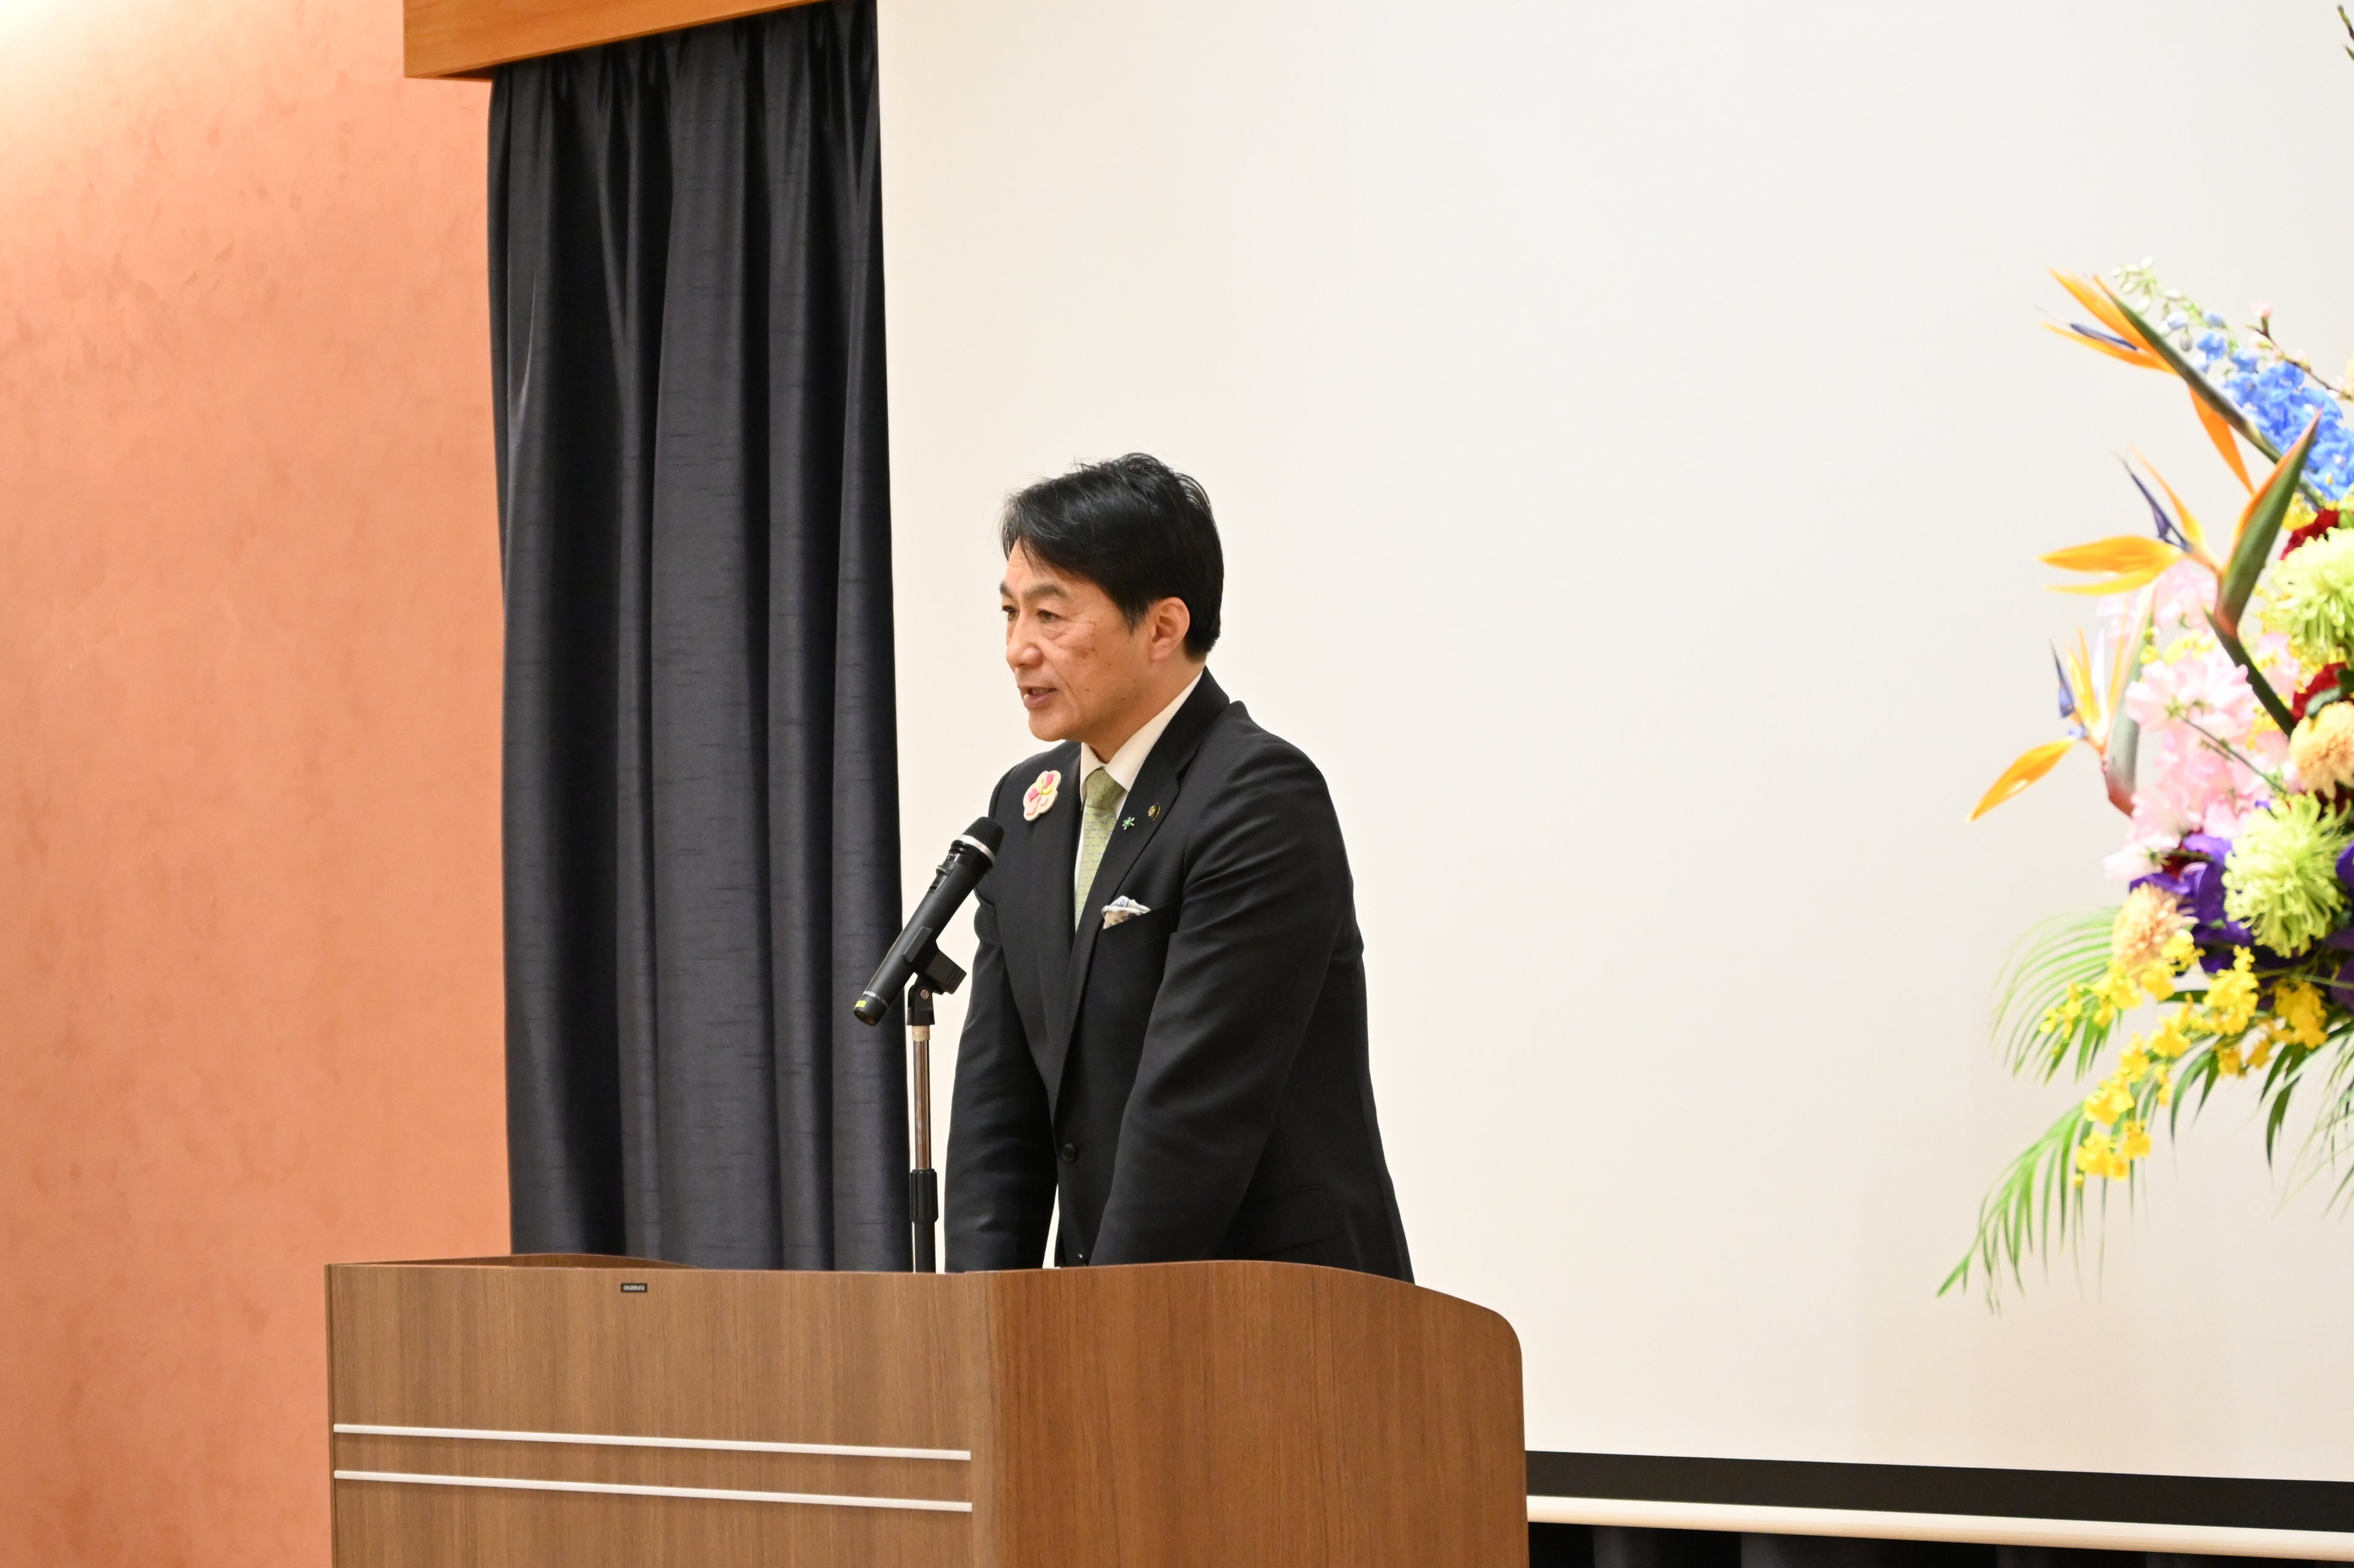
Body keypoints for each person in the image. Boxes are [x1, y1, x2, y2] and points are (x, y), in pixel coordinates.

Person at [943, 453, 1411, 1278]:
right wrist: (979, 1325)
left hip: (1277, 1307)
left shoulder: (1256, 796)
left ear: (1162, 628)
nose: (1018, 649)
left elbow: (1193, 1112)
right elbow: (998, 1108)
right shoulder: (1027, 805)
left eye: (1051, 615)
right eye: (1011, 613)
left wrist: (1103, 1325)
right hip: (1115, 1306)